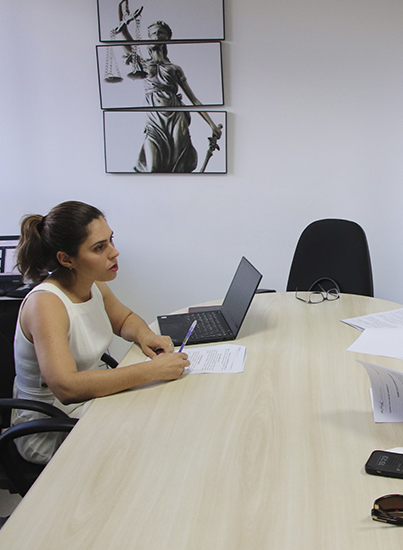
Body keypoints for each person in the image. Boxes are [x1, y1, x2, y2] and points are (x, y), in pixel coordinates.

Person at [13, 201, 190, 464]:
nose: (114, 252)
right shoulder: (45, 304)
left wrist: (145, 336)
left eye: (111, 240)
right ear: (66, 259)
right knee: (157, 432)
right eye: (99, 247)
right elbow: (66, 387)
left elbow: (124, 320)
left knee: (168, 410)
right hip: (52, 425)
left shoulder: (91, 283)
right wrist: (151, 371)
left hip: (89, 402)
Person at [114, 4, 222, 172]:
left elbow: (194, 100)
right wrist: (122, 21)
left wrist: (212, 124)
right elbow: (128, 42)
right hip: (154, 120)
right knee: (153, 168)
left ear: (167, 39)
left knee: (178, 166)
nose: (156, 36)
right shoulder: (143, 64)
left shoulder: (174, 68)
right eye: (153, 34)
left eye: (160, 33)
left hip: (176, 117)